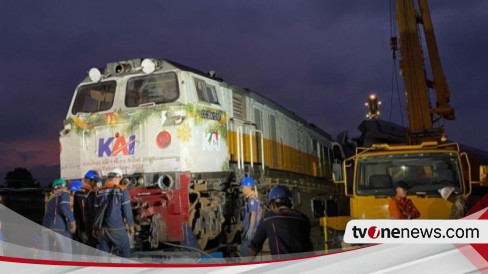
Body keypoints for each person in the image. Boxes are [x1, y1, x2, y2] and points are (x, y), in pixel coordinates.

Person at [249, 185, 313, 260]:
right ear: (290, 202)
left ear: (273, 204)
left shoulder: (268, 218)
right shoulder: (304, 218)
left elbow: (255, 246)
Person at [94, 168, 134, 258]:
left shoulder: (99, 191)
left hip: (103, 228)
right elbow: (126, 210)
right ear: (119, 178)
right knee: (125, 251)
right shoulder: (122, 190)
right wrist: (130, 224)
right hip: (117, 227)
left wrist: (95, 228)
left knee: (104, 254)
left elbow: (96, 212)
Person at [41, 178, 76, 260]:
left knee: (46, 254)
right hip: (60, 227)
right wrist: (72, 222)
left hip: (46, 228)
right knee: (66, 253)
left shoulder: (50, 198)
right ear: (63, 187)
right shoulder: (64, 194)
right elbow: (64, 206)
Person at [73, 170, 101, 248]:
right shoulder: (91, 193)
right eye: (95, 182)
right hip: (89, 226)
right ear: (91, 180)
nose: (95, 184)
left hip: (79, 226)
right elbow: (93, 211)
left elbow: (76, 211)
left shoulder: (77, 192)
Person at [240, 177, 261, 257]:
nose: (242, 189)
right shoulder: (254, 198)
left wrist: (250, 229)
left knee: (245, 251)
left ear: (249, 188)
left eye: (243, 187)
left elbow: (253, 214)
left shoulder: (251, 200)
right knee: (251, 250)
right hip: (254, 228)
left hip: (250, 229)